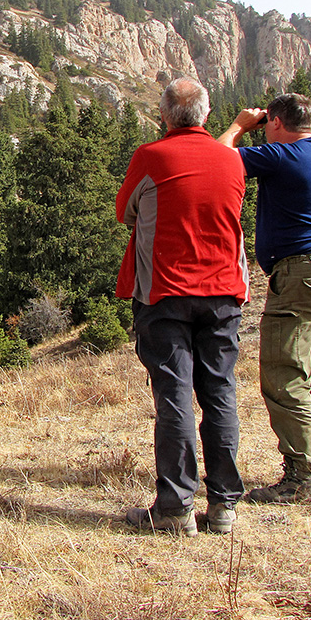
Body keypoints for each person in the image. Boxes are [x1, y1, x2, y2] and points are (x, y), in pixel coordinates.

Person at [117, 77, 249, 536]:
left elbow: (125, 212)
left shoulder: (150, 157)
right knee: (220, 391)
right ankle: (224, 508)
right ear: (206, 116)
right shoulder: (231, 162)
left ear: (164, 117)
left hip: (165, 294)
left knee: (174, 394)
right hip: (224, 294)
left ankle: (175, 509)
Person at [218, 93, 311, 503]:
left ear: (275, 121)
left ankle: (301, 477)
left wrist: (241, 126)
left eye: (267, 122)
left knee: (284, 374)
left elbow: (218, 160)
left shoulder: (281, 156)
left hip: (301, 273)